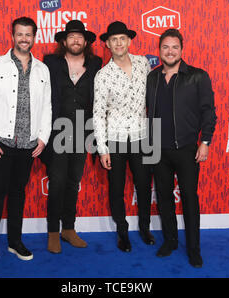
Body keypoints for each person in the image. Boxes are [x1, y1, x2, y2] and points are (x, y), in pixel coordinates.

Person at [0, 17, 52, 270]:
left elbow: (47, 107)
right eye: (20, 34)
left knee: (19, 194)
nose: (24, 39)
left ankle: (15, 241)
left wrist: (42, 137)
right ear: (12, 36)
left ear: (34, 37)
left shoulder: (42, 69)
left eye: (28, 35)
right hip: (1, 144)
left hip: (28, 145)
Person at [146, 29, 217, 267]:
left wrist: (205, 142)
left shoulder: (197, 76)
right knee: (164, 198)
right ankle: (170, 241)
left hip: (187, 148)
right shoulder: (152, 78)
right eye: (165, 47)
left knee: (189, 199)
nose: (170, 51)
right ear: (159, 51)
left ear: (181, 50)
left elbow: (209, 111)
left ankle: (194, 248)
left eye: (174, 47)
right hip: (158, 149)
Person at [41, 20, 102, 254]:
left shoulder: (96, 63)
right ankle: (53, 232)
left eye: (80, 37)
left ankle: (69, 228)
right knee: (56, 183)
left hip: (83, 132)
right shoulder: (50, 63)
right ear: (63, 41)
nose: (75, 40)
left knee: (73, 183)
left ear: (86, 42)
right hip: (57, 130)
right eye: (71, 37)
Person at [93, 21, 154, 253]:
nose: (118, 43)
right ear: (107, 44)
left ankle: (145, 229)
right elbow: (98, 114)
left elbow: (151, 100)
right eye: (114, 39)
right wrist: (102, 149)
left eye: (122, 38)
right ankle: (122, 233)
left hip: (142, 136)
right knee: (116, 189)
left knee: (144, 186)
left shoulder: (143, 63)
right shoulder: (103, 75)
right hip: (115, 139)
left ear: (129, 41)